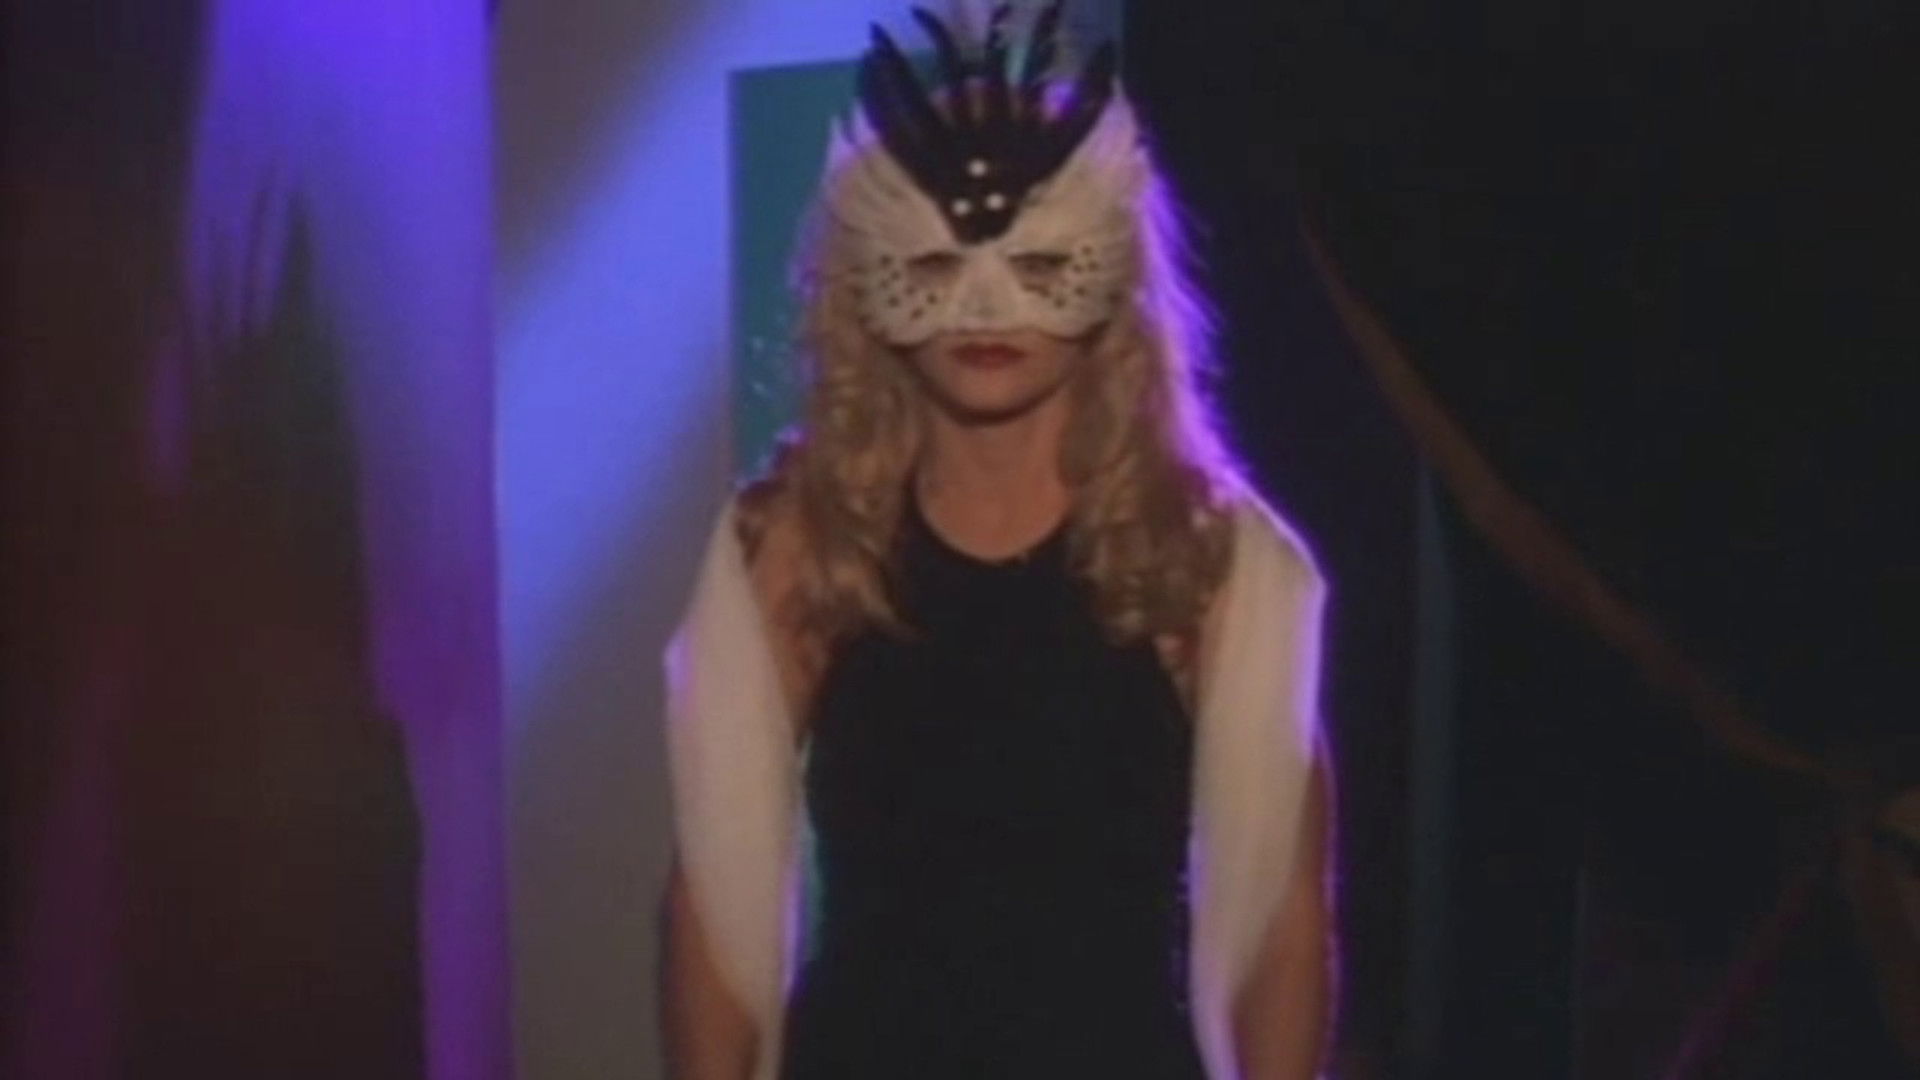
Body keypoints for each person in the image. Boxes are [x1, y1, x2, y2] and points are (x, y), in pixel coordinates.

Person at [659, 5, 1334, 1077]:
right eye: (934, 262)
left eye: (1039, 258)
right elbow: (714, 893)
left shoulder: (1203, 559)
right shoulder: (808, 547)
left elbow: (1284, 921)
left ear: (1110, 270)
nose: (986, 303)